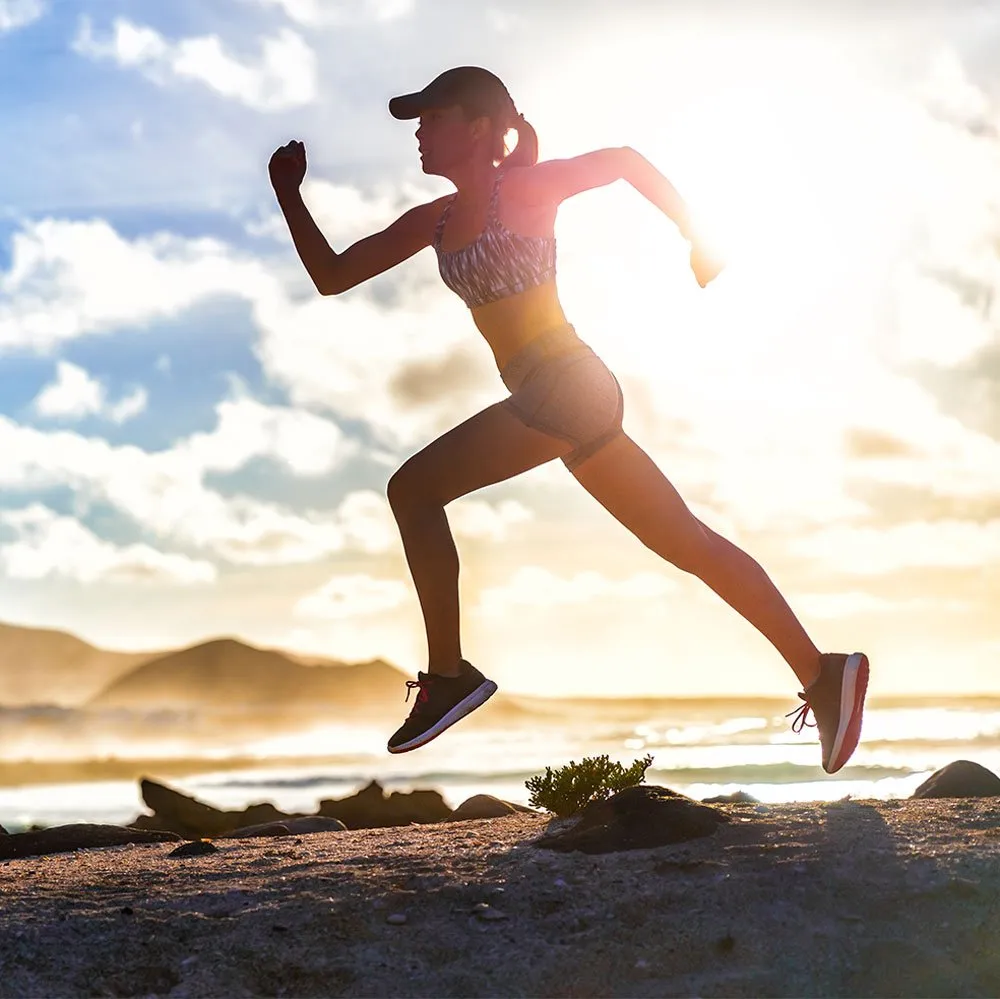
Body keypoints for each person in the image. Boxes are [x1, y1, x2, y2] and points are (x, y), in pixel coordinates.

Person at [268, 66, 869, 774]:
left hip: (565, 386)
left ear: (480, 126)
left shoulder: (527, 187)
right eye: (417, 122)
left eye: (433, 117)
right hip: (558, 397)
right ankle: (824, 672)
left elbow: (622, 163)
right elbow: (333, 275)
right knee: (690, 543)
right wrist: (289, 195)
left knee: (414, 490)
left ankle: (451, 675)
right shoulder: (431, 221)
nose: (421, 133)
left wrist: (697, 234)